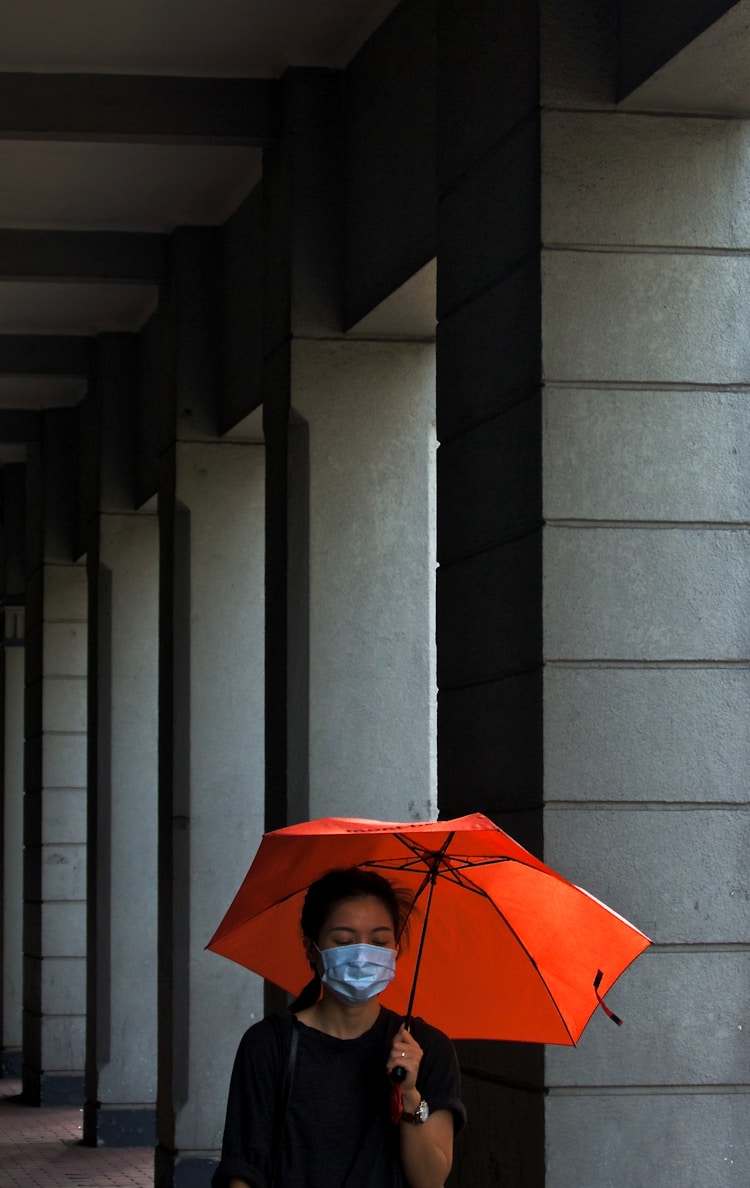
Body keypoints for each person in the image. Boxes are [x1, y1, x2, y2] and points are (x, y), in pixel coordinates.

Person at [212, 866, 466, 1188]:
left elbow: (430, 1180)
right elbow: (243, 1170)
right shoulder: (268, 1045)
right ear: (311, 948)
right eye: (345, 941)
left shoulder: (427, 1048)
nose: (361, 955)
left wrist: (410, 1096)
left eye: (378, 941)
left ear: (395, 950)